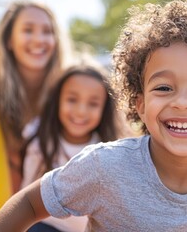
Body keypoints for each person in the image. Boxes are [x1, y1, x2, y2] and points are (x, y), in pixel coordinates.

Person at [0, 0, 187, 231]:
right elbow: (30, 203)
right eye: (164, 88)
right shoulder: (104, 167)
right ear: (140, 104)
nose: (183, 102)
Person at [0, 0, 72, 193]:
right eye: (28, 30)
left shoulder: (70, 95)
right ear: (9, 41)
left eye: (47, 31)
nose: (39, 39)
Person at [20, 63, 121, 232]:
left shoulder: (109, 152)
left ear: (104, 109)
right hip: (43, 226)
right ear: (58, 100)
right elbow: (24, 195)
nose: (81, 111)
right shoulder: (39, 139)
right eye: (72, 100)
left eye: (93, 104)